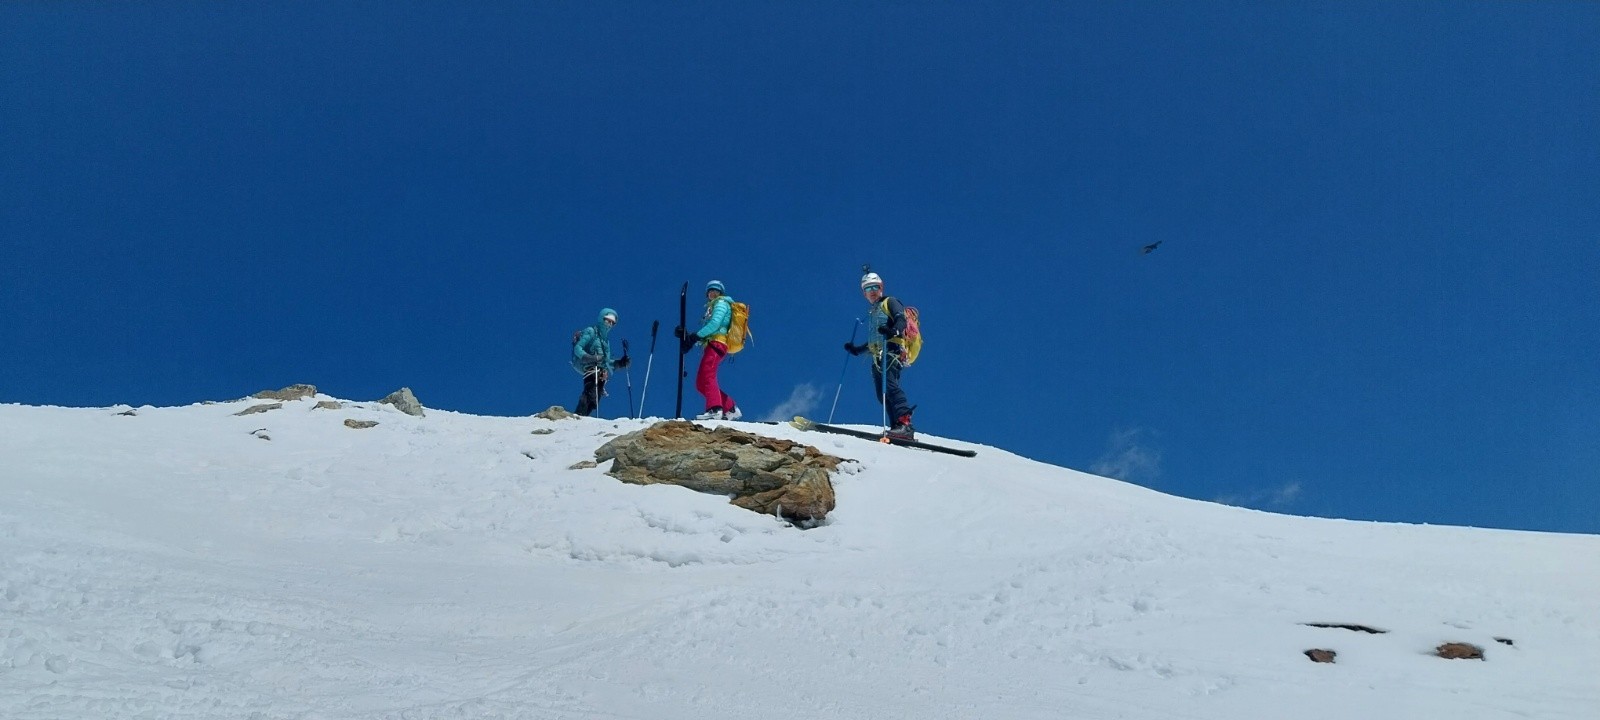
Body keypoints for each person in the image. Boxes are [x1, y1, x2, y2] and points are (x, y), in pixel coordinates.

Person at [844, 272, 915, 438]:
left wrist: (893, 330)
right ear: (864, 293)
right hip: (878, 356)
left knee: (890, 387)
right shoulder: (874, 312)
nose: (872, 291)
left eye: (875, 287)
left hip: (892, 353)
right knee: (881, 394)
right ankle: (895, 427)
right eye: (868, 288)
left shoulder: (890, 302)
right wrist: (857, 350)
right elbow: (875, 341)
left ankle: (905, 425)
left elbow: (900, 319)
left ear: (881, 287)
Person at [675, 280, 742, 420]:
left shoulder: (721, 303)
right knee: (700, 383)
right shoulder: (712, 307)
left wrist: (695, 337)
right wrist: (689, 337)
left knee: (708, 376)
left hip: (717, 344)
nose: (712, 293)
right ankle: (729, 407)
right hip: (712, 344)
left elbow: (715, 324)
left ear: (720, 293)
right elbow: (708, 329)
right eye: (710, 291)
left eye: (716, 291)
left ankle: (715, 409)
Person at [571, 307, 629, 417]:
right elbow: (578, 348)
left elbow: (606, 362)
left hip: (601, 373)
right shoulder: (591, 331)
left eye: (613, 322)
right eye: (608, 320)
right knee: (590, 394)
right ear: (601, 319)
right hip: (590, 369)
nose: (610, 324)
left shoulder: (606, 341)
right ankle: (578, 416)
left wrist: (620, 363)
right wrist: (590, 358)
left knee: (594, 400)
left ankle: (581, 417)